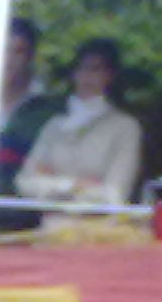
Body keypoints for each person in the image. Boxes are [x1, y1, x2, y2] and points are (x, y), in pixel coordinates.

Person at [13, 37, 141, 210]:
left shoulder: (125, 127)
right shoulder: (54, 125)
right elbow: (24, 182)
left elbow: (115, 194)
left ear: (110, 75)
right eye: (82, 68)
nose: (87, 76)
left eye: (96, 69)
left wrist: (49, 182)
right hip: (49, 227)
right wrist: (72, 186)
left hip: (97, 230)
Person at [0, 16, 58, 195]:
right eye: (3, 51)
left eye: (17, 51)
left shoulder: (51, 111)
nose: (8, 60)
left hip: (29, 210)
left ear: (31, 56)